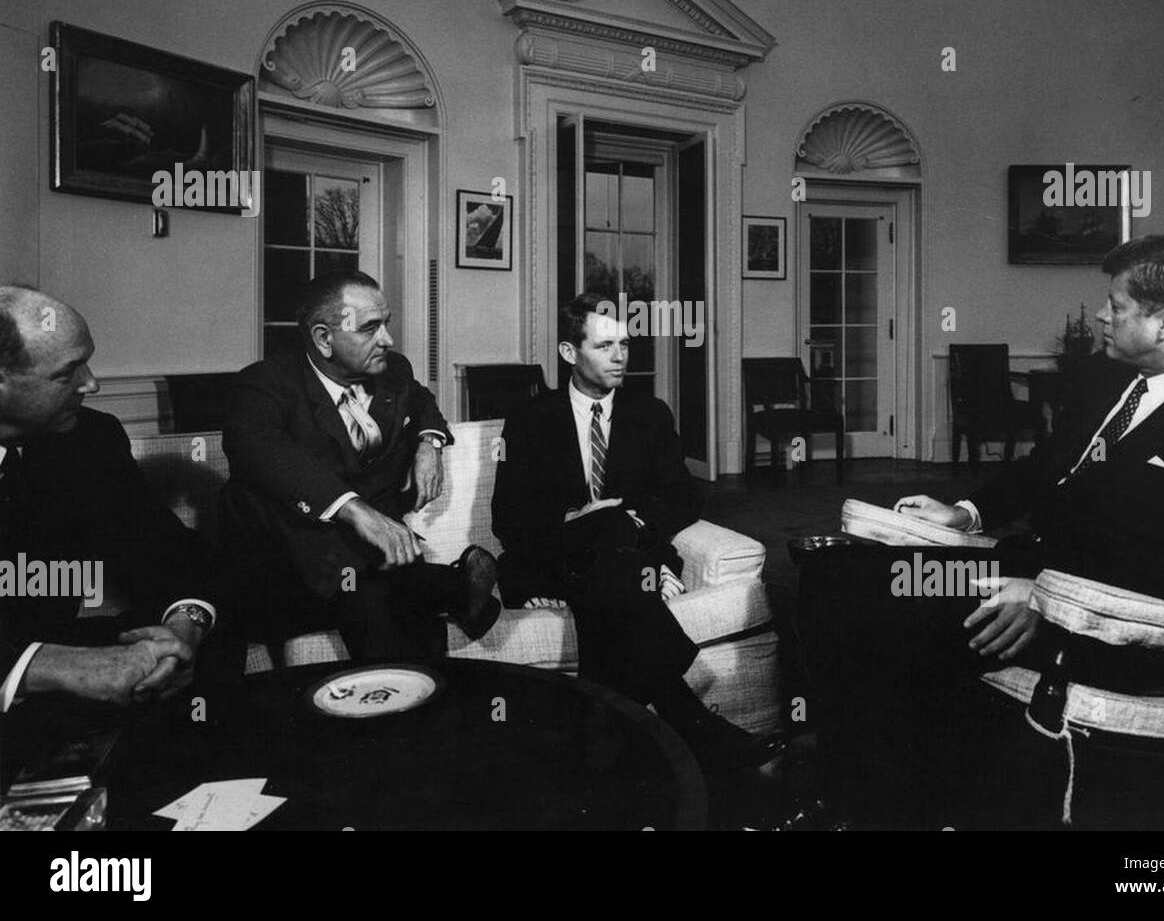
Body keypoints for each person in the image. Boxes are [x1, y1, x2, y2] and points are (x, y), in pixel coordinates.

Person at [797, 236, 1164, 827]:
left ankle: (878, 806)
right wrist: (965, 514)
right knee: (845, 577)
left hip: (1107, 618)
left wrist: (1050, 595)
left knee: (886, 616)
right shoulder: (1107, 382)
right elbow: (1043, 470)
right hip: (1010, 575)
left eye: (1118, 305)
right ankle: (856, 792)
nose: (1102, 316)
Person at [492, 292, 784, 773]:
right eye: (605, 346)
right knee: (610, 547)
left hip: (620, 558)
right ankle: (692, 724)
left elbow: (685, 497)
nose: (621, 356)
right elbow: (507, 518)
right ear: (570, 353)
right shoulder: (530, 420)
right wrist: (578, 521)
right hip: (554, 556)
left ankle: (601, 751)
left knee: (613, 562)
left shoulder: (649, 413)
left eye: (625, 344)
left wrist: (630, 521)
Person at [221, 271, 498, 663]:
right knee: (249, 498)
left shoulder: (393, 370)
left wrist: (429, 443)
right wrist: (358, 513)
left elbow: (421, 403)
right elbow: (260, 450)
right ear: (323, 338)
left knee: (374, 590)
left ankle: (436, 597)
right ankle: (450, 587)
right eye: (370, 328)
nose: (387, 339)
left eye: (386, 324)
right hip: (292, 578)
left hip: (371, 566)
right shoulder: (264, 385)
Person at [0, 287, 227, 719]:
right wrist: (48, 666)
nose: (92, 383)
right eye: (68, 372)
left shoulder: (89, 440)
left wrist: (184, 627)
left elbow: (173, 556)